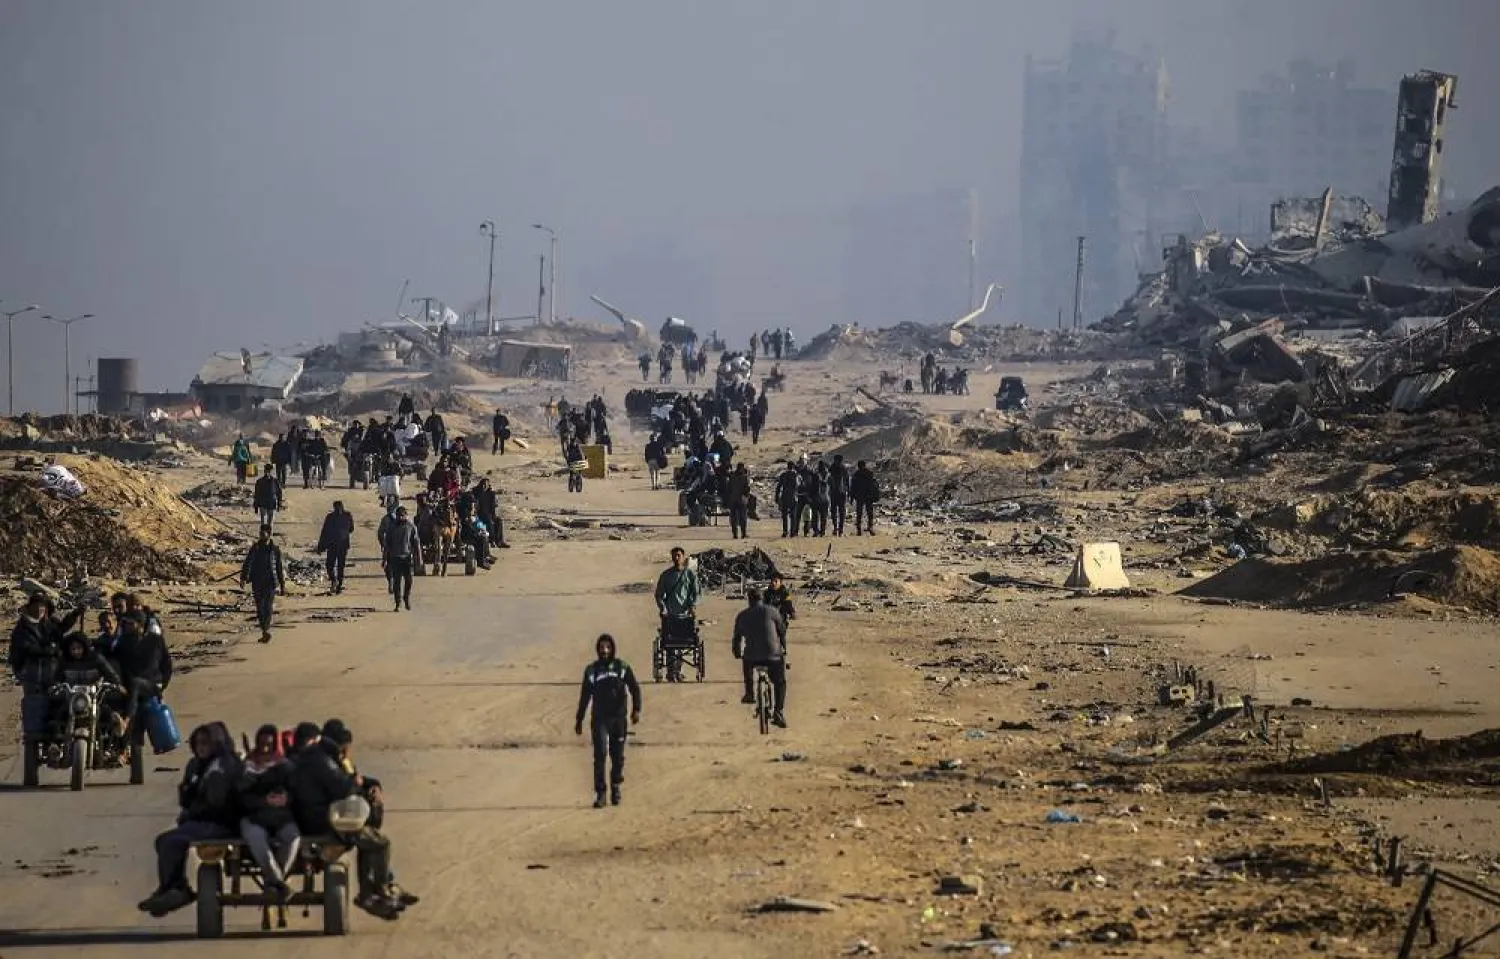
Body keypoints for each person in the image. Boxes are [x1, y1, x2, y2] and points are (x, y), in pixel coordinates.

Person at [288, 721, 402, 919]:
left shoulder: (309, 758)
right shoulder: (321, 760)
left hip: (308, 818)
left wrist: (365, 784)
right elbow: (341, 787)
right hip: (323, 821)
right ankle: (380, 889)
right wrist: (357, 784)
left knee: (367, 839)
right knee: (380, 843)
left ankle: (371, 893)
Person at [139, 723, 240, 916]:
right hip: (201, 821)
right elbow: (186, 798)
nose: (202, 747)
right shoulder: (196, 765)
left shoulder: (224, 765)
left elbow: (215, 802)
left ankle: (177, 889)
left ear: (217, 743)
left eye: (206, 743)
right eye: (198, 743)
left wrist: (192, 808)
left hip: (220, 824)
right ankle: (171, 888)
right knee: (165, 840)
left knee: (171, 841)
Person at [574, 634, 641, 809]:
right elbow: (585, 696)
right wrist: (579, 719)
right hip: (600, 719)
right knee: (600, 755)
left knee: (617, 757)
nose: (604, 650)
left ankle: (616, 786)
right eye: (601, 647)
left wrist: (636, 710)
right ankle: (601, 793)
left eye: (607, 647)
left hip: (619, 719)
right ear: (597, 649)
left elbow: (634, 688)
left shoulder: (622, 667)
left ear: (612, 648)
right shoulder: (591, 670)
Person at [237, 725, 300, 908]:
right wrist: (263, 801)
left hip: (281, 817)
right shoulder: (247, 767)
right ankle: (278, 883)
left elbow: (299, 793)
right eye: (262, 744)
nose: (265, 749)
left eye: (269, 745)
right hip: (254, 817)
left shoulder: (286, 766)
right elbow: (240, 797)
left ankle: (274, 884)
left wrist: (286, 799)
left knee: (293, 837)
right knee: (256, 839)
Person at [113, 611, 173, 749]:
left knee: (136, 683)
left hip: (152, 685)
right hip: (131, 686)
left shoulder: (156, 640)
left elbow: (167, 665)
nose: (127, 626)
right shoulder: (123, 642)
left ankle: (126, 721)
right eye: (125, 623)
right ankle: (118, 748)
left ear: (140, 625)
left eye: (130, 624)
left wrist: (162, 685)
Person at [732, 588, 788, 728]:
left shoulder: (742, 615)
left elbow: (737, 638)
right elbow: (782, 631)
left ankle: (750, 693)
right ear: (762, 599)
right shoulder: (773, 611)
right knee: (780, 682)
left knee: (747, 663)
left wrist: (737, 653)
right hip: (774, 655)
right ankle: (778, 712)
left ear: (749, 600)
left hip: (752, 657)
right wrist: (784, 648)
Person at [240, 526, 286, 642]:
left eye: (263, 533)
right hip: (257, 581)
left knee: (268, 607)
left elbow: (279, 568)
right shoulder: (255, 548)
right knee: (260, 607)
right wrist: (243, 578)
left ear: (269, 534)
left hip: (270, 582)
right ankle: (264, 630)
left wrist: (282, 585)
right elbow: (248, 563)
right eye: (260, 533)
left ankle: (266, 630)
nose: (261, 535)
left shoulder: (275, 550)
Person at [382, 505, 421, 612]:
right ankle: (398, 603)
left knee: (409, 580)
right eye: (398, 516)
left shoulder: (411, 527)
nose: (400, 518)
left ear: (406, 516)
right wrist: (384, 559)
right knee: (396, 582)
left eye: (402, 516)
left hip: (407, 558)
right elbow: (387, 544)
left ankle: (406, 598)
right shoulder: (391, 527)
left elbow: (416, 544)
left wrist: (419, 560)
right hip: (395, 558)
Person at [316, 501, 355, 594]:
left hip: (337, 545)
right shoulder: (344, 516)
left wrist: (321, 546)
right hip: (338, 545)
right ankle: (336, 582)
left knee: (335, 566)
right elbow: (351, 529)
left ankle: (337, 583)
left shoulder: (335, 517)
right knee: (335, 566)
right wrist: (320, 546)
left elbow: (324, 532)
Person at [473, 478, 509, 550]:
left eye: (485, 485)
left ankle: (499, 541)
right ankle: (492, 541)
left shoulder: (491, 493)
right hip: (480, 515)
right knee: (489, 522)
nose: (484, 486)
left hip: (489, 514)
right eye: (483, 484)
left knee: (499, 520)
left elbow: (493, 506)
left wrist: (493, 515)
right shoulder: (476, 493)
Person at [850, 460, 881, 535]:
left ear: (858, 466)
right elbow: (875, 485)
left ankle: (859, 529)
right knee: (869, 513)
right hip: (868, 496)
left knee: (859, 513)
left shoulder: (856, 474)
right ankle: (870, 527)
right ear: (865, 465)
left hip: (860, 496)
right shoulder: (869, 473)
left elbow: (853, 487)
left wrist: (851, 497)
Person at [252, 464, 282, 530]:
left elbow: (257, 495)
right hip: (269, 503)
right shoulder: (275, 481)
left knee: (266, 522)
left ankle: (265, 536)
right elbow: (279, 493)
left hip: (267, 503)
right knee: (268, 523)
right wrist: (279, 503)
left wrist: (256, 506)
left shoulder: (260, 481)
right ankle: (267, 536)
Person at [726, 463, 752, 539]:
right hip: (741, 499)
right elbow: (747, 489)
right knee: (742, 517)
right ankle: (743, 534)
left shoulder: (732, 477)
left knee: (733, 518)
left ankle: (735, 534)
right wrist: (746, 496)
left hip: (733, 499)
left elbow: (728, 488)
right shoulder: (744, 477)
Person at [774, 461, 799, 537]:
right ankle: (792, 532)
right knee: (793, 515)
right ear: (793, 467)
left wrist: (777, 497)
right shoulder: (796, 475)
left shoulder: (783, 475)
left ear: (787, 467)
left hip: (784, 497)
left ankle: (785, 531)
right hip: (793, 497)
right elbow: (799, 485)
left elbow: (778, 487)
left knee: (784, 516)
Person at [828, 454, 850, 536]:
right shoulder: (843, 469)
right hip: (841, 493)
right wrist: (848, 492)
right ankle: (839, 529)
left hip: (836, 493)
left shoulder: (832, 468)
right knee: (840, 512)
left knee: (836, 511)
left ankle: (837, 528)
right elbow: (847, 482)